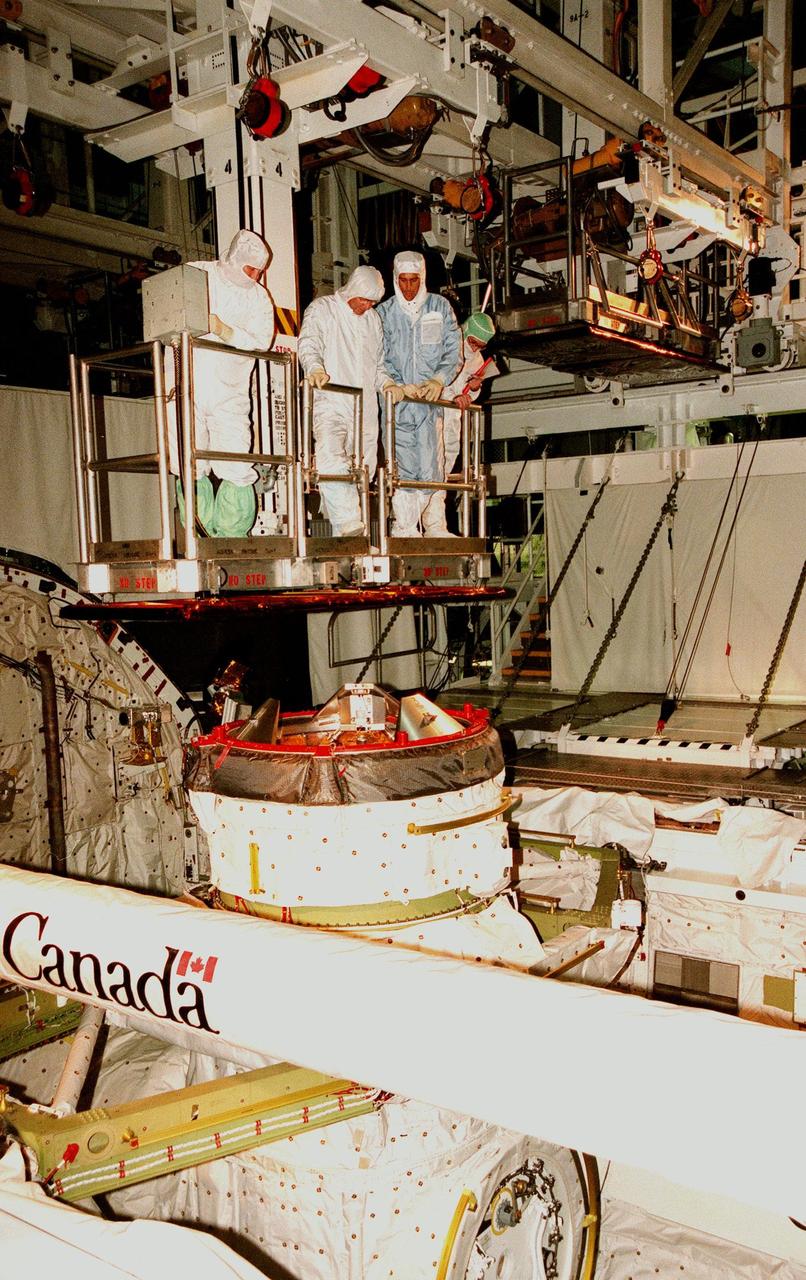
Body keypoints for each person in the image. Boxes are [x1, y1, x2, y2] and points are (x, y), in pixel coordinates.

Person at [171, 229, 273, 538]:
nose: (255, 276)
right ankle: (198, 536)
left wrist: (226, 332)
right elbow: (167, 310)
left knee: (235, 464)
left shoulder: (258, 296)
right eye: (250, 268)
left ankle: (231, 539)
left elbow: (261, 340)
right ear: (235, 258)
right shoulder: (197, 274)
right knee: (187, 463)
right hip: (186, 387)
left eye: (260, 271)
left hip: (230, 392)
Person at [297, 266, 387, 537]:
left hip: (366, 408)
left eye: (373, 302)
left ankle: (349, 534)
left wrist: (388, 384)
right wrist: (313, 368)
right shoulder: (323, 309)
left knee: (364, 471)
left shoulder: (373, 320)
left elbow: (378, 364)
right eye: (364, 300)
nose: (368, 306)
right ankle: (348, 525)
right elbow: (309, 342)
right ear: (352, 291)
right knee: (331, 458)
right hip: (331, 399)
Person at [377, 252, 462, 536]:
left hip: (429, 402)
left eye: (414, 280)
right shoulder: (384, 313)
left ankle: (436, 525)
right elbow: (379, 355)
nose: (409, 287)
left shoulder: (439, 307)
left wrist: (439, 379)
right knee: (401, 465)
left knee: (432, 462)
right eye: (404, 280)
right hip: (398, 403)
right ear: (395, 278)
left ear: (422, 277)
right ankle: (405, 525)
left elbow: (453, 350)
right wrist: (396, 384)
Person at [422, 311, 497, 535]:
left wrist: (473, 389)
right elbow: (431, 380)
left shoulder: (476, 358)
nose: (475, 348)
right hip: (431, 413)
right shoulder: (444, 344)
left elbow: (471, 388)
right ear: (465, 331)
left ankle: (435, 525)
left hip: (453, 419)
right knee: (426, 470)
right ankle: (407, 526)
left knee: (443, 472)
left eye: (481, 346)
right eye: (473, 342)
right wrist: (453, 396)